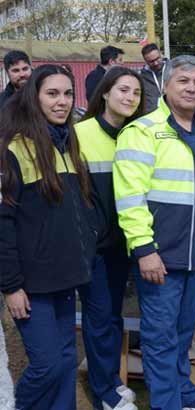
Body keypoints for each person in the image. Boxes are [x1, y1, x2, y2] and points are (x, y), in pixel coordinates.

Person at [113, 55, 195, 410]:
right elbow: (129, 198)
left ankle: (183, 391)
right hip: (161, 255)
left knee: (183, 333)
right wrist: (144, 249)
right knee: (159, 337)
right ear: (165, 85)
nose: (192, 88)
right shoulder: (141, 132)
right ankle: (167, 403)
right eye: (183, 81)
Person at [0, 64, 96, 409]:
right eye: (52, 93)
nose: (62, 102)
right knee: (47, 365)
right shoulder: (12, 150)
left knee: (67, 360)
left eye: (68, 93)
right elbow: (3, 225)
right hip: (31, 285)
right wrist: (11, 285)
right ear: (34, 97)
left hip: (66, 277)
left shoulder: (68, 145)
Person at [75, 66, 146, 410]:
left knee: (114, 314)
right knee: (100, 315)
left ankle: (111, 381)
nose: (129, 97)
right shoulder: (81, 133)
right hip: (96, 248)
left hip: (129, 244)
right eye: (122, 90)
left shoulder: (138, 134)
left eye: (135, 92)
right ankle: (106, 391)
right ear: (104, 92)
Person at [139, 43, 166, 113]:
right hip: (152, 116)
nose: (156, 63)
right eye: (151, 61)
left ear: (161, 54)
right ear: (145, 61)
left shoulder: (174, 69)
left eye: (157, 58)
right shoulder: (141, 77)